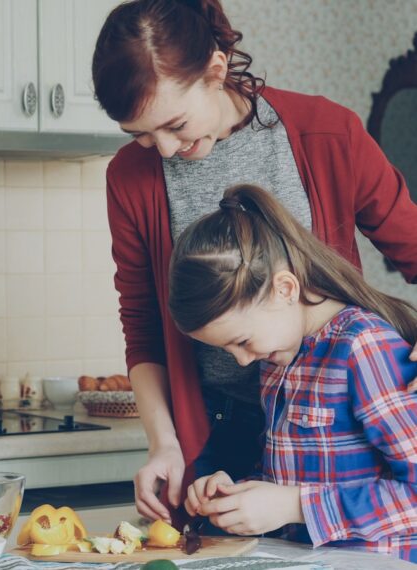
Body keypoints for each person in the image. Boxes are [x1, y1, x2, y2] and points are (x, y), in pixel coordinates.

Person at [91, 0, 417, 526]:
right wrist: (165, 445)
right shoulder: (130, 177)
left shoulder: (325, 132)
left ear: (216, 71)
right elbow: (143, 325)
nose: (166, 149)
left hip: (336, 424)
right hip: (220, 426)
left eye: (174, 125)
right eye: (144, 135)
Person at [169, 184, 416, 562]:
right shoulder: (279, 359)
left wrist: (296, 507)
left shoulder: (363, 347)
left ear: (284, 289)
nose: (242, 361)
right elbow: (294, 478)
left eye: (242, 341)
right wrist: (238, 494)